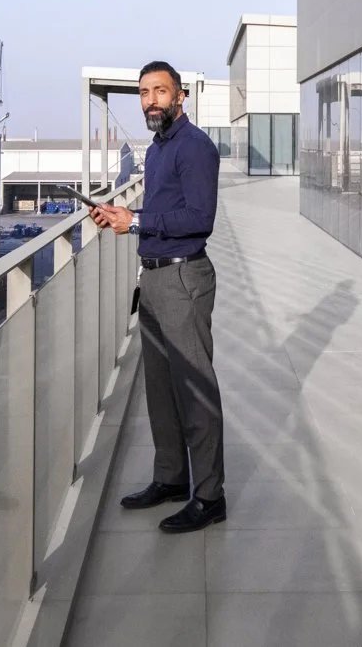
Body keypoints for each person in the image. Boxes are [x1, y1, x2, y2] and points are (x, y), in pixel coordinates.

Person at [90, 60, 226, 533]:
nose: (150, 100)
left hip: (183, 279)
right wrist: (121, 214)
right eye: (144, 93)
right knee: (161, 391)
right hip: (152, 280)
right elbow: (163, 208)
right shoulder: (157, 149)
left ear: (180, 97)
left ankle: (209, 496)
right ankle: (171, 478)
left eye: (160, 92)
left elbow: (199, 217)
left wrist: (139, 222)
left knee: (194, 391)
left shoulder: (195, 147)